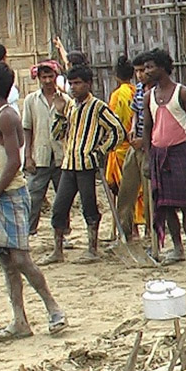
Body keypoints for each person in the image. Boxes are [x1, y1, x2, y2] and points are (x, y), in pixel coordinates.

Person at [0, 61, 67, 342]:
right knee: (6, 260)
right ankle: (19, 320)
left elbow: (14, 162)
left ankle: (53, 309)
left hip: (10, 194)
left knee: (21, 258)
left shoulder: (7, 117)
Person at [40, 64, 126, 265]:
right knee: (59, 207)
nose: (73, 88)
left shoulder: (98, 107)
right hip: (69, 165)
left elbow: (117, 131)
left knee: (89, 206)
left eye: (78, 83)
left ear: (88, 84)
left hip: (87, 166)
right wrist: (60, 114)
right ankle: (57, 250)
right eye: (71, 84)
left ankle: (92, 249)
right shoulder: (68, 106)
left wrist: (100, 151)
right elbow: (56, 134)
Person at [143, 49, 186, 266]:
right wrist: (148, 158)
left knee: (185, 204)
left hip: (178, 152)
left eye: (150, 67)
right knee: (165, 205)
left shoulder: (182, 93)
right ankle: (177, 248)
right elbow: (147, 129)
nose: (147, 72)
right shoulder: (149, 97)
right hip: (158, 153)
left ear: (163, 67)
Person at [23, 59, 69, 236]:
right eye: (44, 77)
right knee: (34, 196)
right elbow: (27, 129)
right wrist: (27, 156)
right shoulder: (31, 100)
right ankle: (29, 231)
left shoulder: (65, 100)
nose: (48, 80)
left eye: (50, 76)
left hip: (61, 156)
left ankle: (62, 232)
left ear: (55, 77)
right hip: (39, 156)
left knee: (63, 198)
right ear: (39, 79)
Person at [116, 52, 154, 239]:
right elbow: (136, 113)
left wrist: (145, 141)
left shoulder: (158, 92)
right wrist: (132, 129)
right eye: (137, 71)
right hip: (135, 144)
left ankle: (151, 233)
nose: (140, 75)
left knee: (149, 195)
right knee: (127, 190)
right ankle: (126, 231)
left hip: (151, 147)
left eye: (143, 70)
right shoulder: (139, 90)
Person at [105, 56, 135, 197]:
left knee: (121, 188)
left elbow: (113, 122)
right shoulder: (136, 92)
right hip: (134, 144)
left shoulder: (116, 96)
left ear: (116, 76)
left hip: (119, 146)